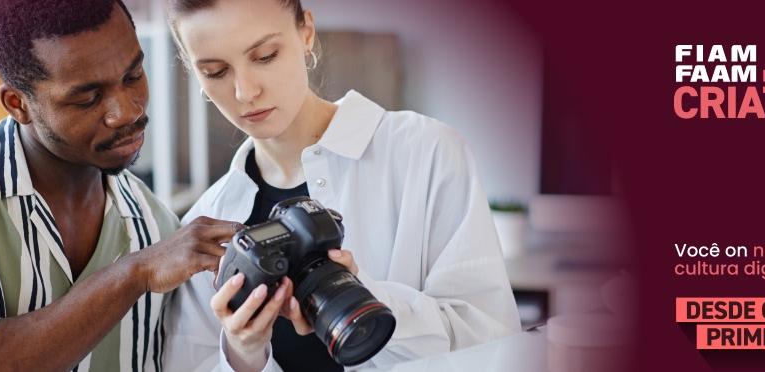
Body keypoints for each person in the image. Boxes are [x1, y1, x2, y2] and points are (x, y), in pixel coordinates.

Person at [0, 1, 243, 371]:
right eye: (87, 98)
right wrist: (133, 274)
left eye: (133, 77)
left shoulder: (152, 221)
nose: (127, 112)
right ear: (18, 104)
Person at [160, 0, 523, 371]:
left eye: (265, 56)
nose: (245, 92)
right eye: (217, 71)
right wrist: (242, 354)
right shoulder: (207, 223)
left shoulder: (427, 153)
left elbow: (490, 343)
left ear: (306, 33)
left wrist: (364, 298)